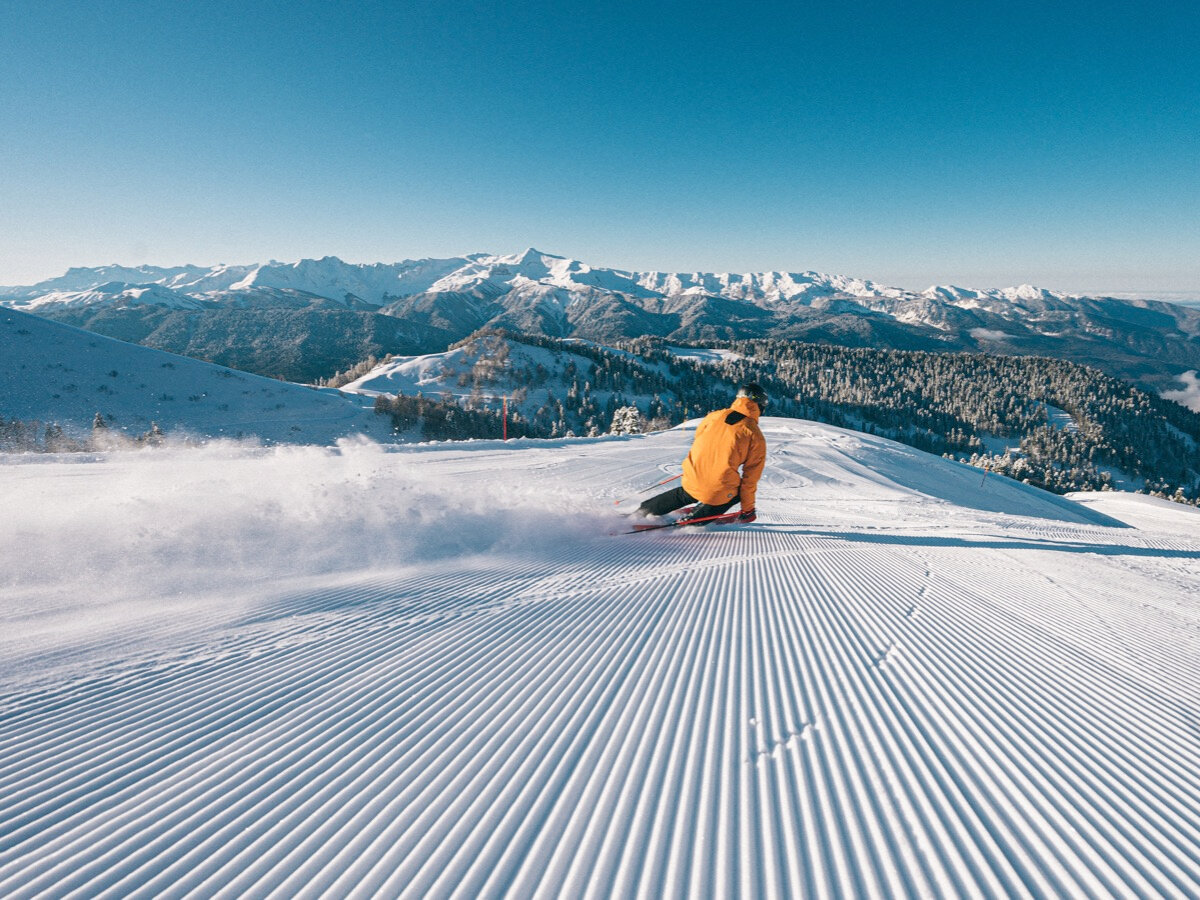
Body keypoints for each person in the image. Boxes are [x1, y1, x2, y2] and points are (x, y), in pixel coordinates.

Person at [637, 383, 768, 523]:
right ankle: (692, 520)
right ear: (760, 404)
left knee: (686, 492)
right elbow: (750, 479)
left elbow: (701, 440)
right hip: (716, 487)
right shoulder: (754, 434)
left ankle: (642, 511)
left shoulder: (714, 416)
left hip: (693, 473)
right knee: (735, 493)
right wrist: (748, 510)